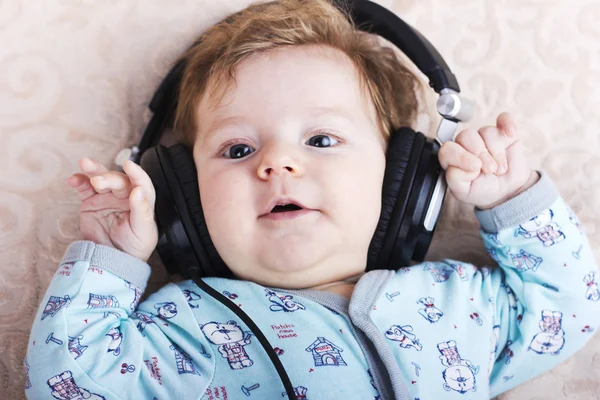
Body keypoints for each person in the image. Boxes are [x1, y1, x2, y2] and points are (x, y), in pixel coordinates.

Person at [25, 0, 599, 399]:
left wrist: (514, 201)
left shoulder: (456, 301)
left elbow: (568, 311)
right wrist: (111, 259)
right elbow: (69, 382)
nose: (277, 163)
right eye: (237, 149)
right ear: (185, 204)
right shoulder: (182, 326)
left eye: (322, 139)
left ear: (406, 182)